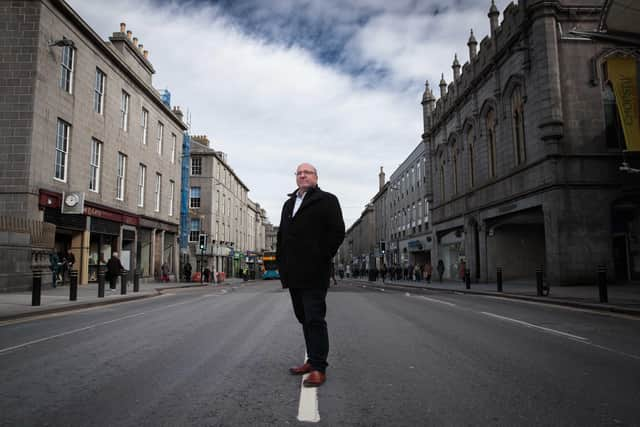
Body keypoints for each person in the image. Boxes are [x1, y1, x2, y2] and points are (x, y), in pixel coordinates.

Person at [277, 162, 345, 388]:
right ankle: (311, 360)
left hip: (315, 271)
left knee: (315, 317)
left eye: (307, 172)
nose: (303, 175)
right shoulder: (288, 204)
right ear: (295, 178)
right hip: (293, 272)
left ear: (316, 177)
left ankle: (318, 367)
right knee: (303, 317)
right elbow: (282, 237)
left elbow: (337, 232)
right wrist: (281, 264)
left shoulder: (327, 200)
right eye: (299, 173)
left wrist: (322, 256)